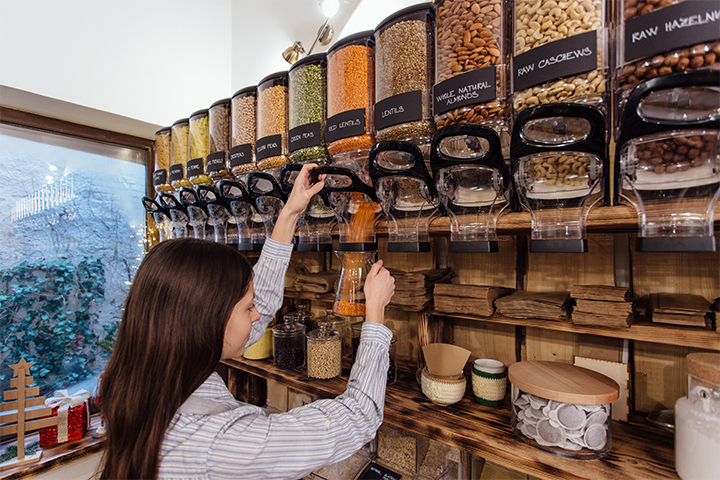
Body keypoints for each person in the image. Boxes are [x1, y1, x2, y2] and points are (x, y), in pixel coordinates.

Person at [99, 163, 396, 480]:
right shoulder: (220, 442)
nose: (258, 316)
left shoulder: (141, 376)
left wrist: (290, 214)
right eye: (247, 308)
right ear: (207, 322)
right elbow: (357, 417)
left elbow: (259, 304)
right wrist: (375, 310)